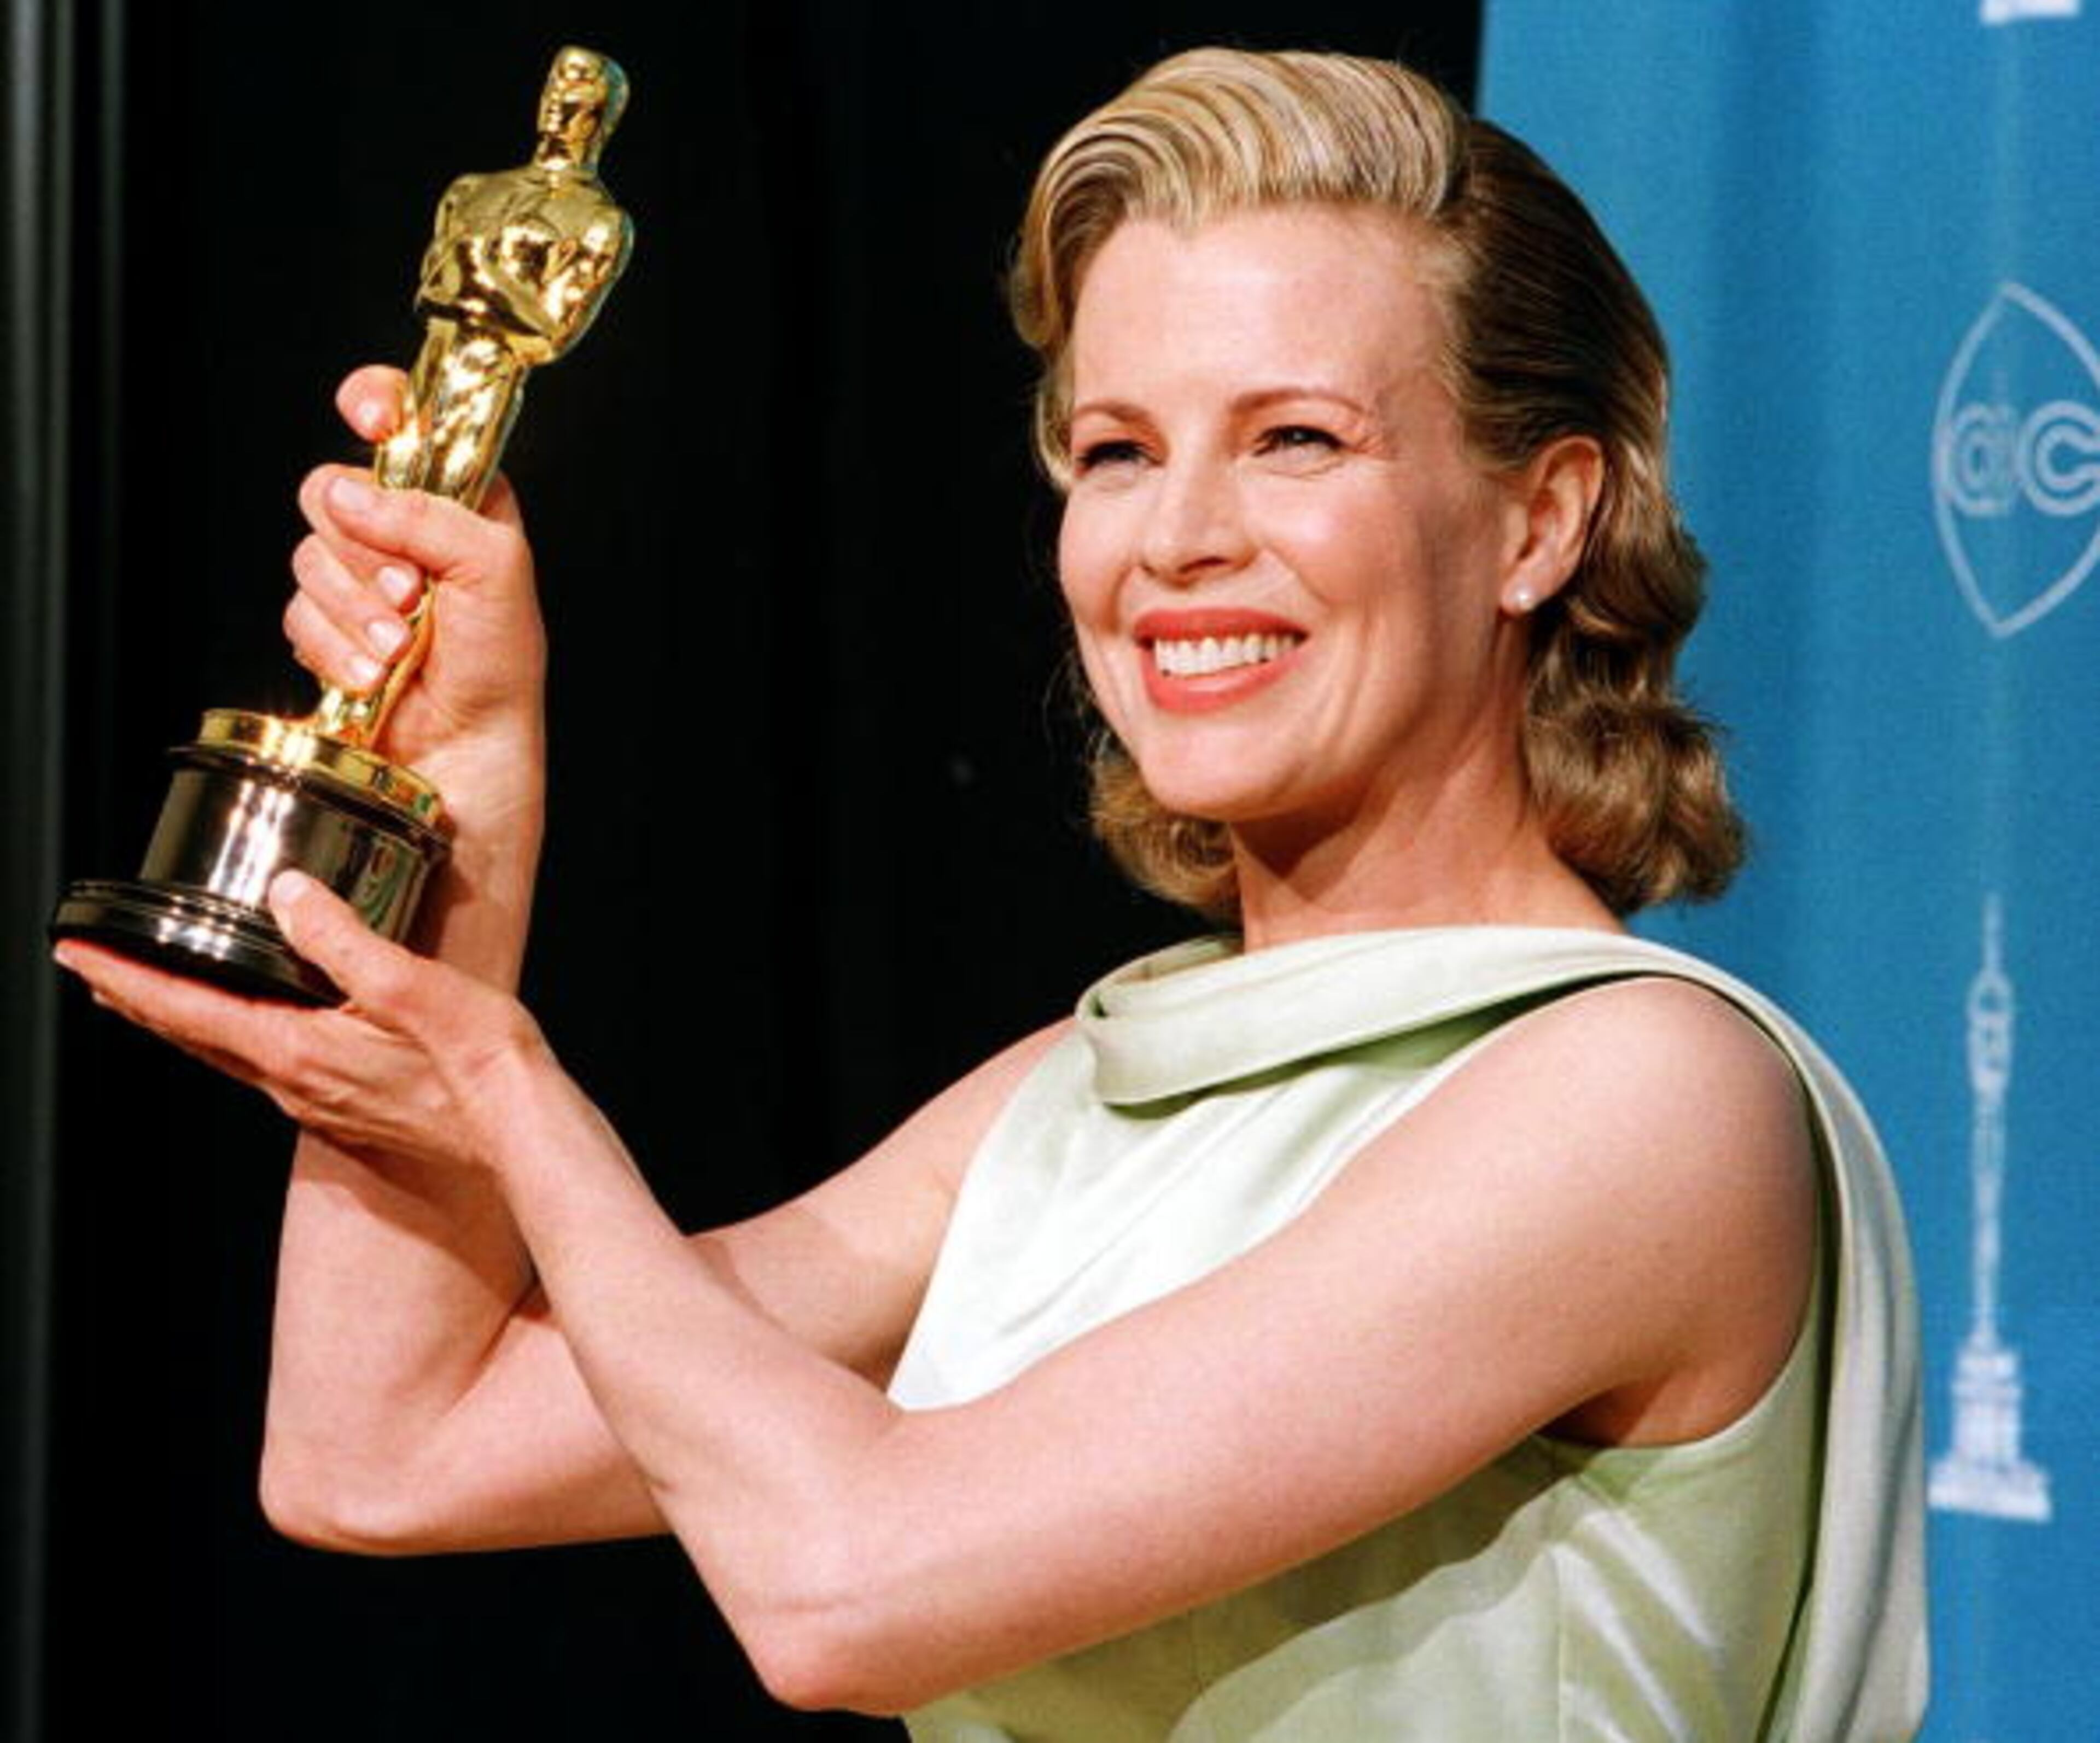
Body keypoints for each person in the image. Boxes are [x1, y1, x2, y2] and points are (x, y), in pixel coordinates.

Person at [54, 46, 1926, 1741]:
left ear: (1539, 520)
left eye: (1296, 438)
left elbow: (842, 1585)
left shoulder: (1642, 1099)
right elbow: (385, 1450)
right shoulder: (1083, 1092)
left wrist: (510, 1094)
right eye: (1117, 450)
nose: (1178, 537)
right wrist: (473, 803)